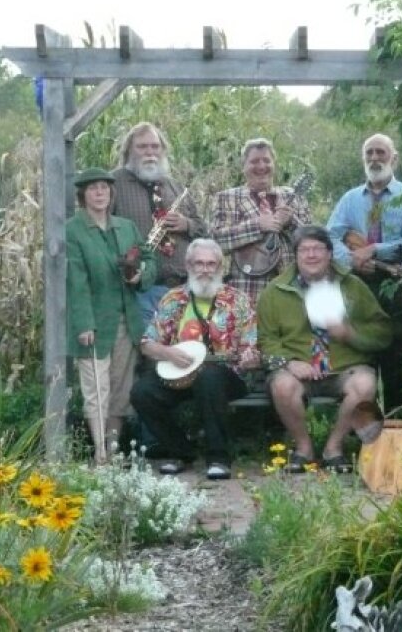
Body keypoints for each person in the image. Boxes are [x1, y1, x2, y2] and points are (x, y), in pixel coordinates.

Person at [258, 225, 392, 473]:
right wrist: (289, 362)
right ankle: (303, 448)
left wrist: (350, 334)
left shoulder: (353, 287)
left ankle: (334, 448)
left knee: (365, 384)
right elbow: (266, 341)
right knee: (282, 385)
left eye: (318, 249)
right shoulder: (274, 292)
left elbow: (383, 332)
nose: (311, 255)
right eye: (304, 250)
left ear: (330, 254)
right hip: (299, 369)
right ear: (295, 256)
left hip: (344, 369)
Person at [130, 239, 259, 479]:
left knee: (209, 378)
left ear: (220, 267)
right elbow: (147, 343)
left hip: (225, 376)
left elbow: (250, 346)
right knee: (142, 392)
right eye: (199, 263)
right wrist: (167, 353)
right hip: (180, 374)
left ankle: (218, 458)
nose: (205, 269)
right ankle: (181, 451)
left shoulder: (238, 300)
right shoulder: (172, 299)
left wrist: (250, 358)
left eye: (211, 264)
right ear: (188, 265)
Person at [67, 167, 156, 464]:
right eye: (93, 189)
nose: (100, 193)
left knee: (120, 389)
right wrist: (83, 323)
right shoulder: (73, 230)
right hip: (94, 322)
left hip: (126, 322)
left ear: (111, 192)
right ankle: (99, 453)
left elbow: (148, 259)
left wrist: (139, 275)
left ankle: (113, 451)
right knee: (96, 389)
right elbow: (75, 280)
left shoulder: (125, 226)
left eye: (104, 188)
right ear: (83, 195)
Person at [326, 133, 402, 413]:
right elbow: (329, 237)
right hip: (358, 285)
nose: (375, 158)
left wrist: (375, 249)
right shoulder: (350, 199)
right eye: (369, 153)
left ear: (394, 158)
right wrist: (352, 260)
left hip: (397, 286)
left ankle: (396, 427)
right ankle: (366, 434)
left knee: (395, 362)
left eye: (381, 152)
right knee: (362, 360)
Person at [111, 121, 206, 321]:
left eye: (155, 146)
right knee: (148, 349)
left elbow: (202, 229)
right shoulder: (113, 184)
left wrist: (186, 224)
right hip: (139, 290)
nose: (150, 152)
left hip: (182, 287)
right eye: (142, 146)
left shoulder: (174, 186)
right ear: (129, 151)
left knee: (184, 348)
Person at [211, 137, 312, 307]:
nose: (261, 166)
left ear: (274, 164)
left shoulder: (293, 196)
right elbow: (215, 242)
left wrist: (291, 222)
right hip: (244, 292)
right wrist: (257, 226)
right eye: (254, 161)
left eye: (266, 160)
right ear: (244, 166)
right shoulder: (227, 198)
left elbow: (313, 242)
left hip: (291, 288)